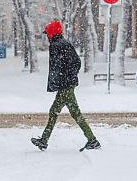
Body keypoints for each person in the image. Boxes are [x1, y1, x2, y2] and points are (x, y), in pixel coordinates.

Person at [31, 20, 101, 152]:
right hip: (68, 84)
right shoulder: (65, 43)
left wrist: (61, 80)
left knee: (61, 112)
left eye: (47, 33)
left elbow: (56, 68)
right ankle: (45, 140)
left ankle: (92, 140)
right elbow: (76, 62)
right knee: (68, 112)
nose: (47, 36)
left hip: (65, 86)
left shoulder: (56, 46)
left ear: (51, 33)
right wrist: (71, 76)